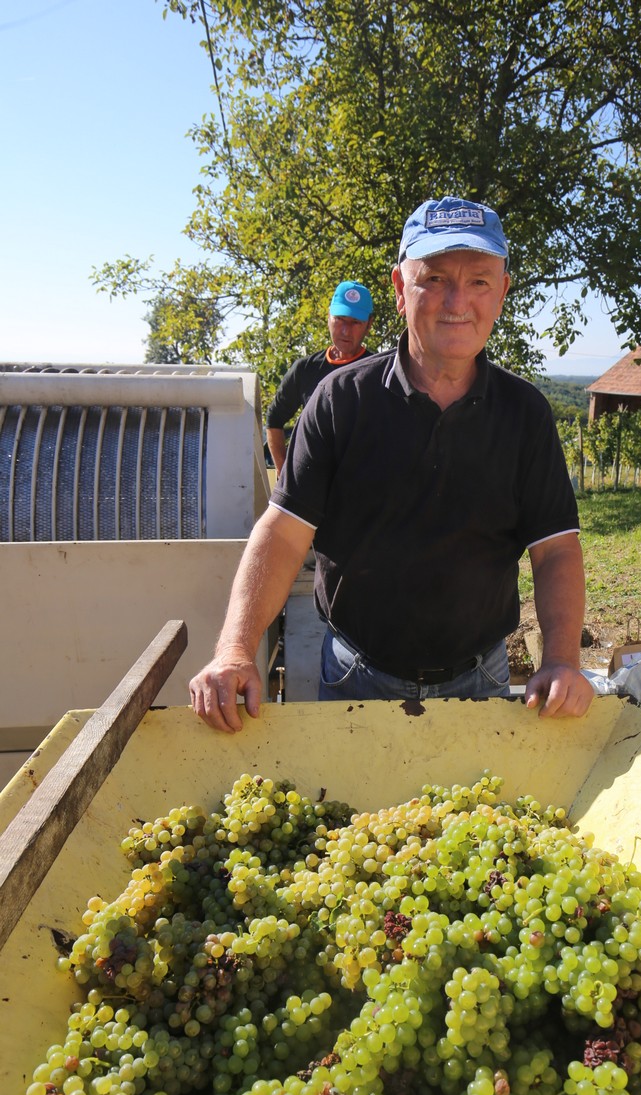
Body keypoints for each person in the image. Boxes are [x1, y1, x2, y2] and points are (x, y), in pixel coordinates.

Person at [191, 195, 594, 731]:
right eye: (434, 279)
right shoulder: (340, 401)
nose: (458, 301)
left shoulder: (525, 414)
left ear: (502, 293)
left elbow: (555, 550)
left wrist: (563, 659)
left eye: (479, 280)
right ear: (401, 291)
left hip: (483, 680)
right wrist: (236, 650)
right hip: (356, 676)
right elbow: (284, 533)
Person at [264, 280, 374, 474]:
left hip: (363, 491)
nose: (345, 330)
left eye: (355, 322)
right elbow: (274, 418)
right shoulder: (305, 369)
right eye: (340, 319)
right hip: (313, 489)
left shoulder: (381, 371)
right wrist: (284, 475)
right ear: (328, 317)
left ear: (369, 324)